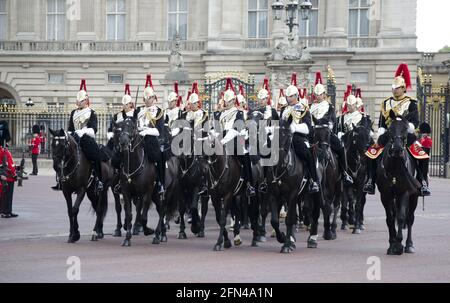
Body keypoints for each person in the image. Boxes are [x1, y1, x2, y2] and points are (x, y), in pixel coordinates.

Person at [363, 63, 430, 196]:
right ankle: (370, 180)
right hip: (389, 133)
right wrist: (381, 130)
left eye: (397, 88)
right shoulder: (386, 102)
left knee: (422, 155)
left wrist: (408, 128)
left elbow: (415, 122)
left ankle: (422, 182)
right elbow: (382, 121)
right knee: (371, 153)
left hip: (406, 134)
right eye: (393, 88)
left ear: (403, 88)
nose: (395, 90)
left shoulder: (411, 102)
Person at [52, 79, 104, 191]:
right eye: (78, 100)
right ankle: (61, 179)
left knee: (95, 156)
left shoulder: (91, 112)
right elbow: (70, 128)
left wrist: (83, 131)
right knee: (61, 155)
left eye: (82, 101)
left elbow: (93, 130)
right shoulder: (73, 113)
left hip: (86, 139)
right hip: (74, 138)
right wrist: (68, 133)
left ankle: (98, 180)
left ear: (86, 101)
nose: (79, 102)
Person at [310, 72, 353, 186]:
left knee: (340, 147)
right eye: (316, 94)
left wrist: (326, 127)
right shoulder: (311, 106)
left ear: (324, 94)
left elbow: (332, 121)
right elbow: (309, 120)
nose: (318, 96)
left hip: (325, 132)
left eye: (320, 94)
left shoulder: (329, 106)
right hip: (314, 132)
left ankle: (344, 172)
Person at [216, 78, 256, 197]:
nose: (226, 103)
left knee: (245, 156)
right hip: (222, 138)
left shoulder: (238, 113)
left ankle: (249, 184)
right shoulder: (221, 113)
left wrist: (224, 140)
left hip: (234, 140)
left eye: (229, 101)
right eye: (225, 101)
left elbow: (235, 129)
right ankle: (207, 183)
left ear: (234, 100)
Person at [281, 73, 319, 193]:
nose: (288, 98)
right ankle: (266, 181)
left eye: (291, 96)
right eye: (287, 96)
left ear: (297, 95)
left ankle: (314, 181)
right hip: (283, 137)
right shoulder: (283, 109)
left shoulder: (303, 108)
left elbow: (307, 128)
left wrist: (294, 128)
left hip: (297, 137)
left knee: (307, 154)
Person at [136, 74, 166, 194]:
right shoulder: (138, 110)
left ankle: (160, 183)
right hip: (138, 140)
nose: (148, 100)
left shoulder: (159, 111)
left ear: (154, 98)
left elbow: (158, 130)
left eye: (151, 98)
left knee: (159, 158)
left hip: (151, 141)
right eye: (146, 98)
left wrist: (146, 131)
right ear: (143, 99)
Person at [250, 78, 279, 193]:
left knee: (269, 155)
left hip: (268, 139)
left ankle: (266, 181)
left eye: (263, 99)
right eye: (260, 99)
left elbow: (277, 127)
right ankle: (248, 183)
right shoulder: (255, 111)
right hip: (256, 139)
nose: (261, 101)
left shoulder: (273, 112)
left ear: (267, 99)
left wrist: (268, 129)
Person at [0, 121, 18, 218]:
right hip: (7, 176)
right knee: (6, 195)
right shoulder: (3, 152)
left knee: (6, 195)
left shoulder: (4, 151)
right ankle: (5, 211)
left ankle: (7, 211)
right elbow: (7, 164)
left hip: (7, 175)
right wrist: (13, 173)